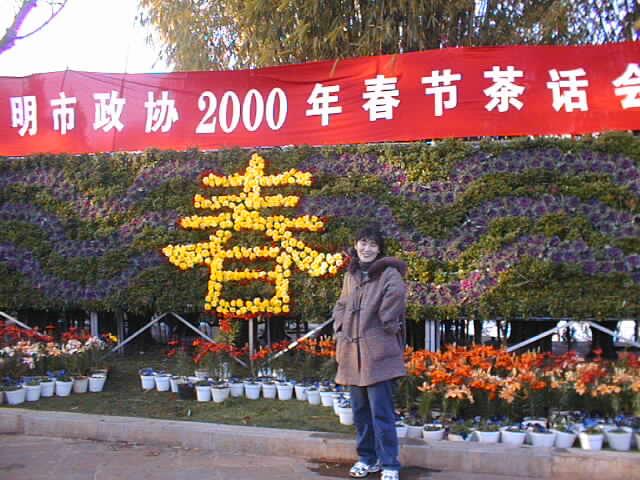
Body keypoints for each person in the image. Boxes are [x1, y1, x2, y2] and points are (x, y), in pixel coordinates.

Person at [332, 224, 407, 480]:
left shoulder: (388, 273)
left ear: (379, 249)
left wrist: (386, 320)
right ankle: (367, 458)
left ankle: (390, 464)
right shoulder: (351, 274)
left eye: (373, 244)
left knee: (381, 412)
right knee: (360, 412)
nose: (367, 248)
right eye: (363, 242)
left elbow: (397, 295)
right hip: (351, 354)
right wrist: (340, 326)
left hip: (377, 354)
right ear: (356, 245)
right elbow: (342, 304)